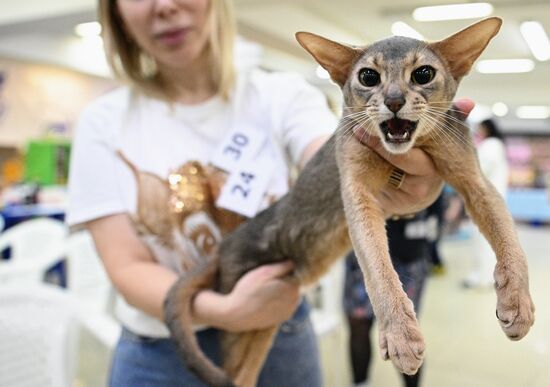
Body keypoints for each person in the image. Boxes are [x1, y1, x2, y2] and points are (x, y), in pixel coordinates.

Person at [66, 1, 471, 386]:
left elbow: (335, 166)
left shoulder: (283, 96)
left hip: (281, 330)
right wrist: (222, 312)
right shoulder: (104, 122)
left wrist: (402, 180)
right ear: (115, 11)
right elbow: (126, 265)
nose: (165, 7)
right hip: (157, 349)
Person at [344, 209, 436, 387]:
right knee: (358, 323)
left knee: (404, 333)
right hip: (363, 245)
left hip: (407, 250)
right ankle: (360, 383)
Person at [462, 118, 509, 289]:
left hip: (487, 199)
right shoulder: (495, 145)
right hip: (490, 199)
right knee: (485, 238)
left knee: (483, 239)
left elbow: (479, 168)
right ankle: (484, 275)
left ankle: (483, 277)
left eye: (480, 128)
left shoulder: (492, 145)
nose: (478, 131)